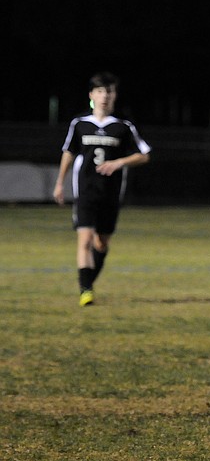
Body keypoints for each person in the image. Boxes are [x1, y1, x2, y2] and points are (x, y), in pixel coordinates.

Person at [52, 72, 151, 306]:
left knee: (101, 243)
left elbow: (145, 155)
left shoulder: (123, 126)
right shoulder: (80, 124)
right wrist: (59, 182)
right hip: (85, 190)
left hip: (111, 192)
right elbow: (69, 152)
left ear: (114, 95)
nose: (104, 96)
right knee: (85, 239)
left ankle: (88, 282)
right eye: (99, 91)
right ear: (91, 95)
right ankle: (86, 290)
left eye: (109, 92)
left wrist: (120, 162)